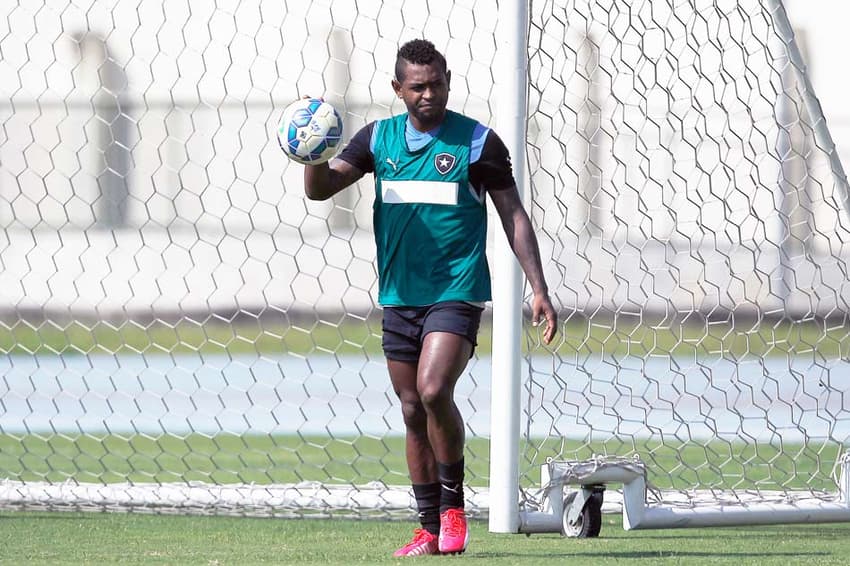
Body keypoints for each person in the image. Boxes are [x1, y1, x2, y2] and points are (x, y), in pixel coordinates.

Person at [301, 38, 557, 557]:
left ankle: (454, 508)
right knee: (412, 407)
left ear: (447, 82)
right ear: (398, 89)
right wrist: (312, 155)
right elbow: (322, 188)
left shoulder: (478, 143)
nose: (428, 95)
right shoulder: (378, 140)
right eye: (417, 87)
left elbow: (514, 216)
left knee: (435, 388)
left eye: (436, 84)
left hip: (456, 291)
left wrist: (538, 287)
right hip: (399, 295)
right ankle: (427, 528)